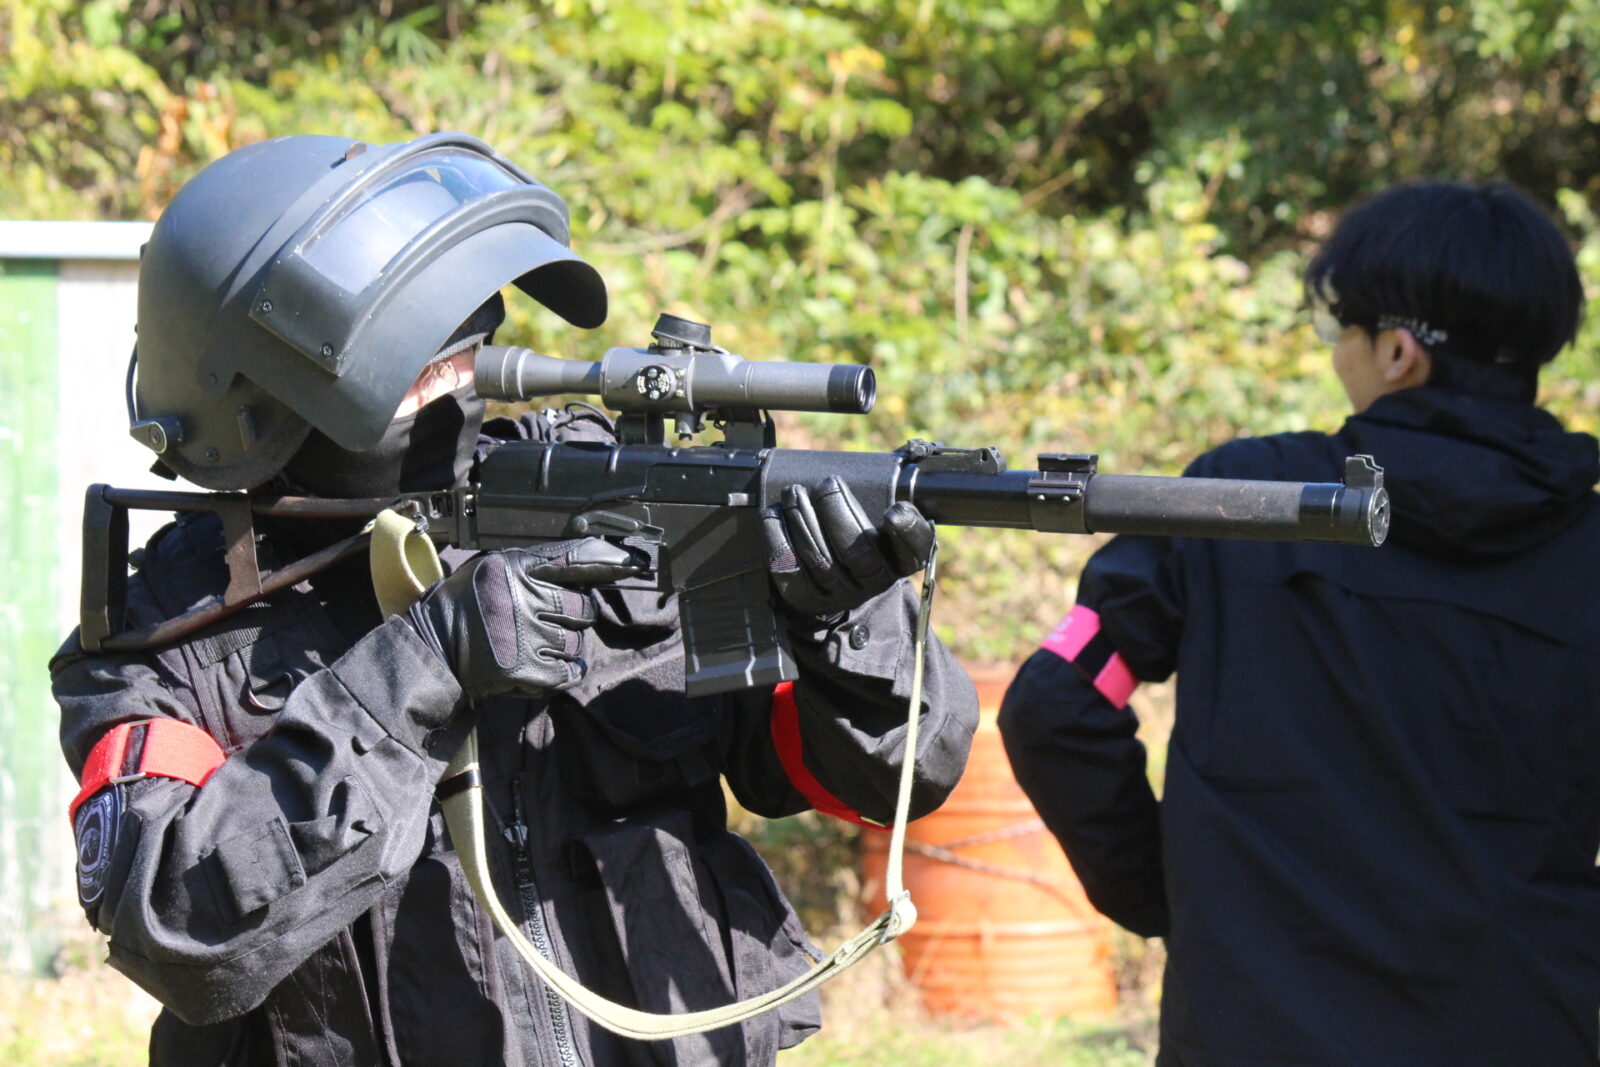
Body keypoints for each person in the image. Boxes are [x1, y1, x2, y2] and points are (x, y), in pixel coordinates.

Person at [52, 132, 978, 1067]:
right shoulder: (166, 631)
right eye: (420, 362)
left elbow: (892, 777)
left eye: (466, 341)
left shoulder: (597, 499)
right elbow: (174, 930)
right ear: (262, 400)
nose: (463, 370)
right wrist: (423, 666)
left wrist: (843, 624)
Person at [999, 180, 1600, 1066]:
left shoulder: (1247, 500)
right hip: (1535, 1023)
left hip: (1258, 1026)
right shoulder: (1586, 546)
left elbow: (1059, 699)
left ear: (1397, 351)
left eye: (1337, 326)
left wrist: (1177, 897)